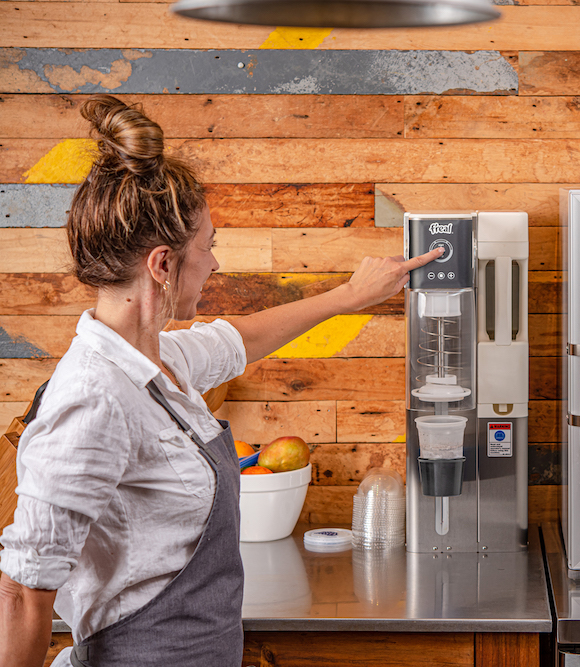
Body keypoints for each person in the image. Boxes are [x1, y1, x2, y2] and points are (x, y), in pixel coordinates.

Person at [0, 94, 442, 667]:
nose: (214, 264)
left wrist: (352, 296)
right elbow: (21, 592)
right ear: (162, 265)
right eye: (207, 247)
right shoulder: (93, 398)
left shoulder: (163, 363)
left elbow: (242, 339)